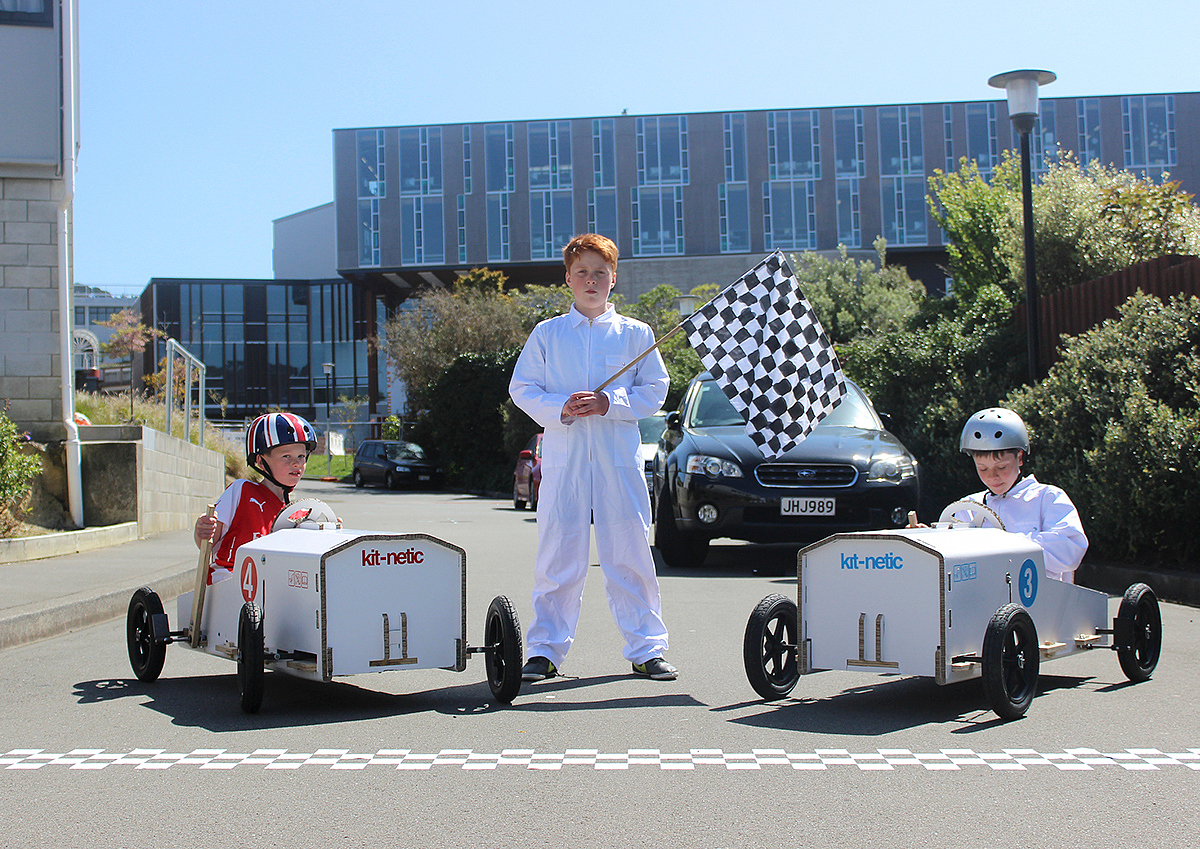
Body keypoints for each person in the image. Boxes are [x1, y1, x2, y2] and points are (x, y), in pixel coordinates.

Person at [509, 233, 676, 681]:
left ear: (613, 278)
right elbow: (523, 388)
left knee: (630, 552)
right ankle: (544, 650)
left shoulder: (636, 334)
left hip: (617, 461)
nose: (591, 280)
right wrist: (560, 406)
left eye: (600, 272)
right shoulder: (548, 334)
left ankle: (646, 648)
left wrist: (610, 403)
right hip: (563, 461)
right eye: (582, 272)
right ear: (568, 278)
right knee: (558, 555)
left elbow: (655, 390)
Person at [951, 407, 1088, 582]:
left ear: (1020, 458)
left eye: (1002, 467)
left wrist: (1002, 543)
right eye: (982, 468)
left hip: (1043, 603)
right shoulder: (969, 507)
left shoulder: (1048, 498)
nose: (993, 476)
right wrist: (926, 538)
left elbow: (1069, 551)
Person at [193, 412, 317, 585]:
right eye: (286, 456)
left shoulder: (299, 513)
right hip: (230, 578)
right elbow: (208, 542)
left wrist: (327, 530)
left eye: (301, 456)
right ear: (260, 461)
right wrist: (203, 530)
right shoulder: (242, 490)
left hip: (274, 585)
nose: (296, 463)